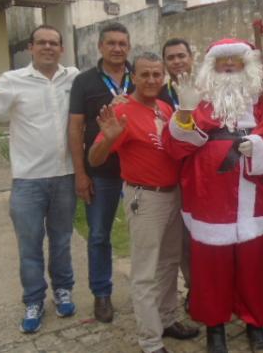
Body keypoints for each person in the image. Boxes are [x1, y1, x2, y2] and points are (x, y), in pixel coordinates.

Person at [164, 39, 263, 353]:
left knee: (254, 265)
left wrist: (259, 147)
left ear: (247, 65)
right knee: (211, 268)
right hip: (210, 196)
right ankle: (215, 327)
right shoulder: (199, 97)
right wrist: (184, 114)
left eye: (236, 60)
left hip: (252, 197)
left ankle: (255, 322)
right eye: (223, 61)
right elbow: (176, 145)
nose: (230, 66)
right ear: (212, 66)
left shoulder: (262, 97)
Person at [0, 25, 79, 333]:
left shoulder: (73, 77)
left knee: (62, 241)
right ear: (31, 47)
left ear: (62, 49)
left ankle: (63, 290)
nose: (48, 47)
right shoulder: (13, 81)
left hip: (65, 176)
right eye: (41, 42)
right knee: (29, 245)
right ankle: (34, 299)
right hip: (28, 181)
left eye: (54, 43)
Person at [89, 51, 199, 353]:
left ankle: (166, 320)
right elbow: (94, 159)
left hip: (172, 195)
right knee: (145, 272)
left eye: (156, 74)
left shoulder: (165, 107)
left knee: (168, 264)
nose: (151, 80)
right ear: (132, 77)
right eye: (144, 74)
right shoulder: (122, 111)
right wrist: (109, 138)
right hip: (145, 198)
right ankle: (150, 342)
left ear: (163, 77)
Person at [68, 22, 133, 323]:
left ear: (128, 47)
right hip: (101, 171)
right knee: (98, 235)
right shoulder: (85, 81)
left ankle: (150, 291)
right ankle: (102, 294)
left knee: (145, 235)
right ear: (100, 47)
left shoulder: (142, 76)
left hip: (138, 172)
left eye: (122, 43)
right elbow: (76, 127)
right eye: (111, 43)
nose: (117, 48)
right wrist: (81, 173)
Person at [159, 38, 195, 308]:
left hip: (205, 174)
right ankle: (195, 288)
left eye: (181, 56)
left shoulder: (208, 89)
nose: (177, 61)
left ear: (191, 58)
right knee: (182, 240)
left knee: (207, 236)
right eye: (171, 58)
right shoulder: (158, 95)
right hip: (174, 176)